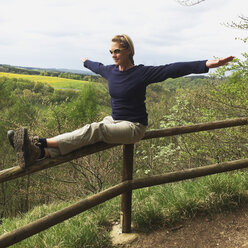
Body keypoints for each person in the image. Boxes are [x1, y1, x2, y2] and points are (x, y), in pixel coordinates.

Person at [8, 34, 234, 169]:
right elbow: (96, 66)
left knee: (95, 129)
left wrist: (207, 64)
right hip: (115, 121)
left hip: (134, 127)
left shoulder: (142, 73)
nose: (113, 55)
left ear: (128, 51)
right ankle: (40, 154)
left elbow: (172, 69)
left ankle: (40, 142)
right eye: (111, 52)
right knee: (90, 134)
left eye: (117, 51)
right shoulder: (110, 71)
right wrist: (86, 61)